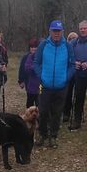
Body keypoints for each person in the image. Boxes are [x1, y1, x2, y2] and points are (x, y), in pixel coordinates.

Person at [34, 20, 75, 148]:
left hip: (61, 86)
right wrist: (41, 76)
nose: (56, 33)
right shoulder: (43, 45)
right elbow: (36, 62)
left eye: (59, 31)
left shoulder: (67, 46)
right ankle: (42, 134)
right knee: (43, 110)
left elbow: (72, 64)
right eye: (54, 31)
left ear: (62, 31)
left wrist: (66, 78)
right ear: (50, 31)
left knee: (57, 112)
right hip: (44, 85)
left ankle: (53, 135)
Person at [63, 31, 78, 123]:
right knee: (67, 94)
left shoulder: (79, 47)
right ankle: (66, 113)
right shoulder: (65, 48)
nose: (72, 40)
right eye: (70, 38)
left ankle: (77, 113)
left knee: (78, 94)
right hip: (68, 74)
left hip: (78, 73)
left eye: (74, 38)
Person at [24, 38, 40, 107]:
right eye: (32, 47)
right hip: (31, 85)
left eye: (35, 47)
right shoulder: (29, 57)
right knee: (29, 104)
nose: (34, 49)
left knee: (39, 104)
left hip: (40, 85)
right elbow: (27, 68)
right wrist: (35, 67)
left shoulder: (42, 57)